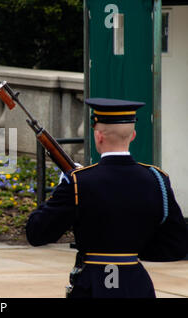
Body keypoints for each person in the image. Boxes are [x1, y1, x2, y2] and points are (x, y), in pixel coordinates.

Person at [26, 98, 188, 298]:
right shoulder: (157, 179)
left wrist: (63, 187)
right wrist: (129, 253)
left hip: (92, 286)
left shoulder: (78, 182)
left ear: (98, 136)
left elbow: (37, 233)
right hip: (136, 285)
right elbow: (177, 245)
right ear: (133, 135)